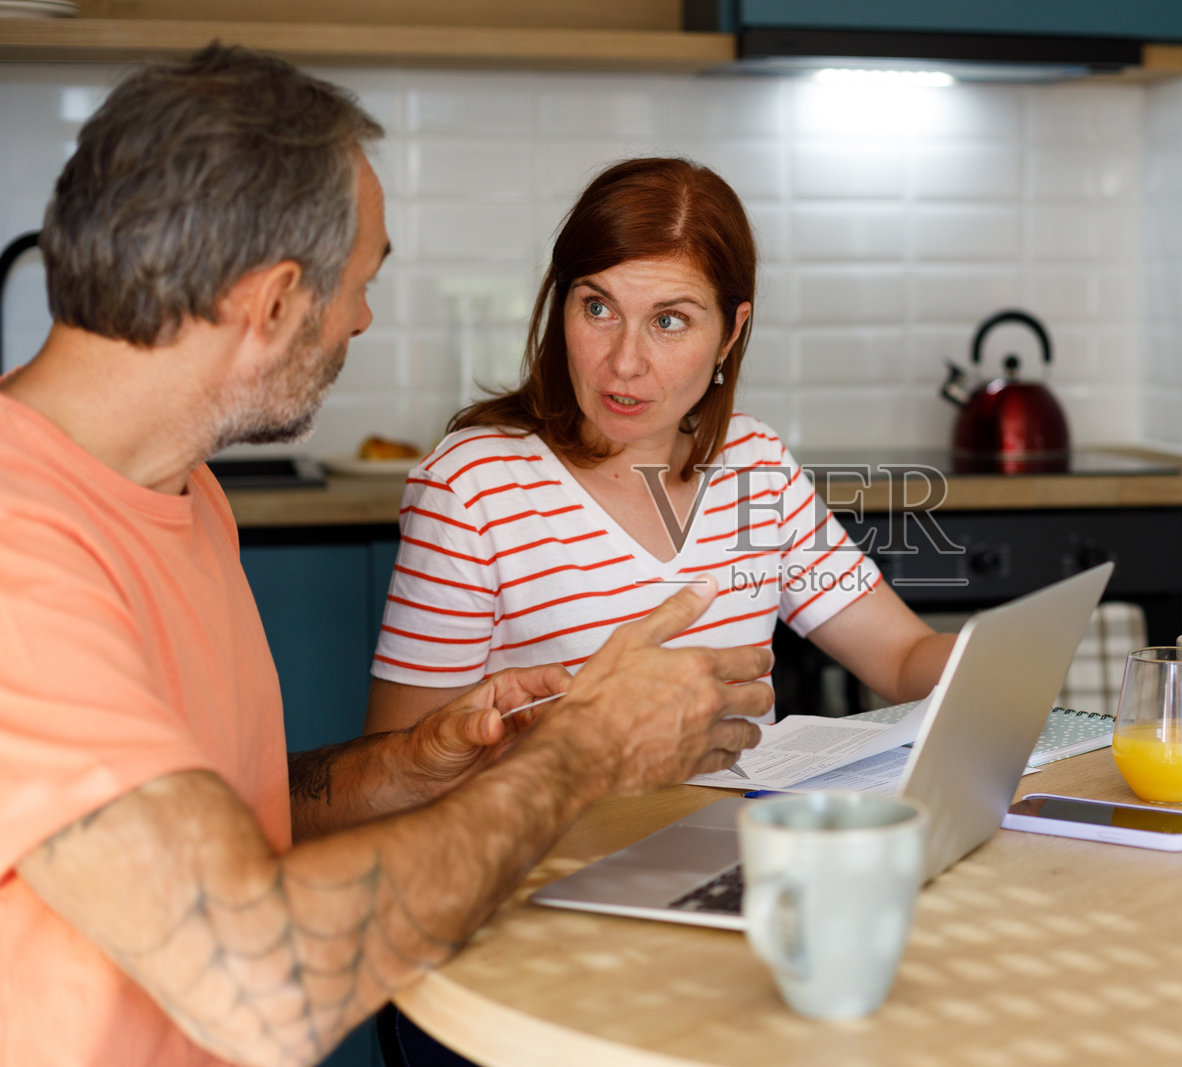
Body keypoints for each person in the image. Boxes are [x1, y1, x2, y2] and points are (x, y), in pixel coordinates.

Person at [0, 45, 769, 1067]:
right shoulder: (19, 545)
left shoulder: (179, 491)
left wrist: (410, 763)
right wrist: (584, 751)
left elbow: (208, 816)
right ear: (274, 302)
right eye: (360, 284)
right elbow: (267, 984)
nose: (362, 317)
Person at [364, 157, 957, 734]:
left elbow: (904, 658)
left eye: (668, 320)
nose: (624, 362)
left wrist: (1033, 654)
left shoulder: (754, 463)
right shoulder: (473, 488)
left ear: (730, 332)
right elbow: (396, 774)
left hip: (741, 834)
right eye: (598, 308)